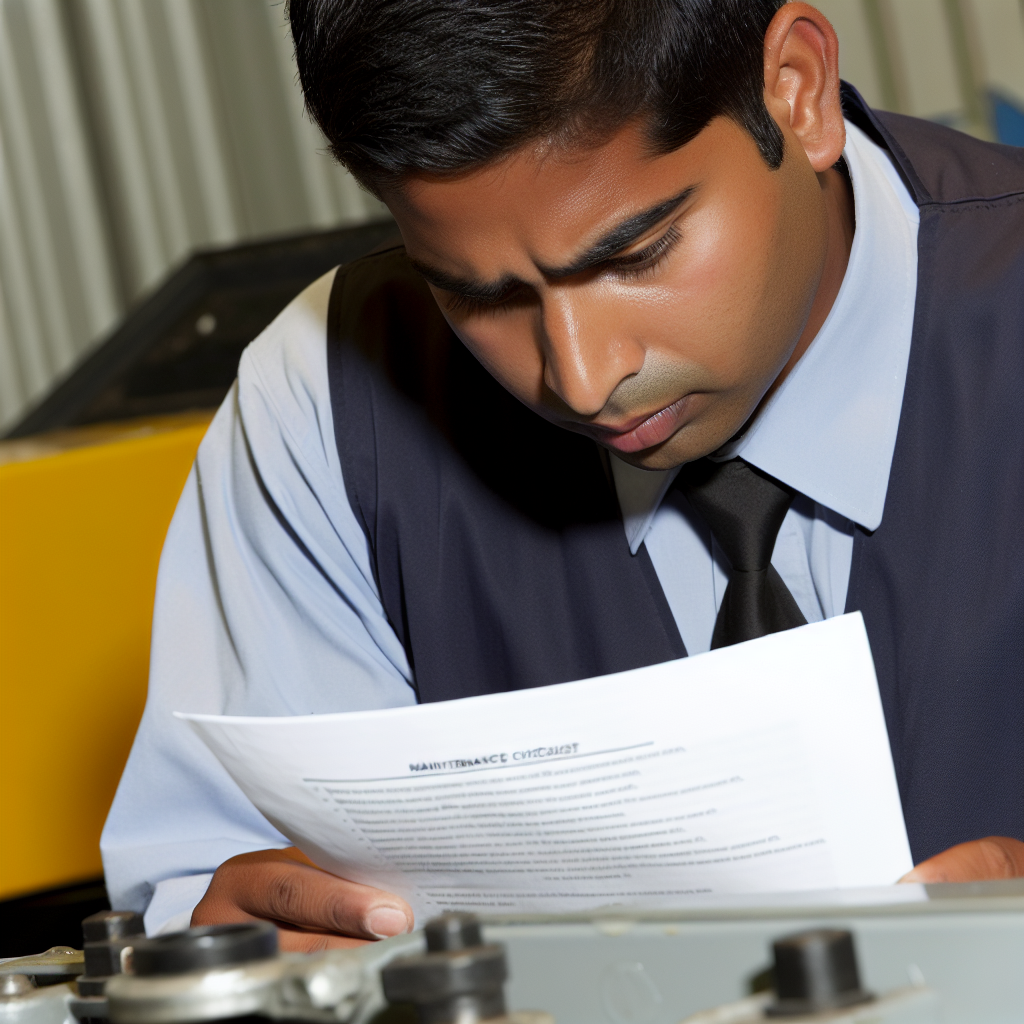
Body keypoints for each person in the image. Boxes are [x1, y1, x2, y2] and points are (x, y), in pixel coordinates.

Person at [101, 0, 1024, 948]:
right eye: (480, 294)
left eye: (635, 254)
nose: (583, 380)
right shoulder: (326, 402)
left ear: (796, 90)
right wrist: (223, 952)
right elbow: (201, 901)